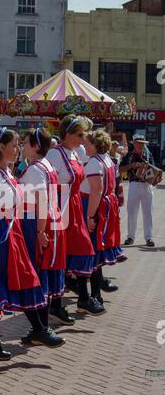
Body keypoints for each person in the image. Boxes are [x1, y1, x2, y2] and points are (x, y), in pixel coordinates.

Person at [0, 127, 65, 357]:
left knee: (25, 280)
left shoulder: (7, 172)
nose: (18, 149)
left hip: (12, 234)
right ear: (1, 147)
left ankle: (38, 329)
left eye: (21, 144)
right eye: (14, 145)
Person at [47, 115, 105, 316]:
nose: (83, 138)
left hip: (75, 206)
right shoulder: (54, 155)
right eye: (80, 134)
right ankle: (68, 300)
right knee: (65, 254)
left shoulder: (76, 152)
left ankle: (79, 297)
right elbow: (48, 184)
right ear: (68, 134)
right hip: (61, 208)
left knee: (81, 250)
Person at [19, 128, 74, 334]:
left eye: (26, 143)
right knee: (45, 272)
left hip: (38, 222)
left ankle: (41, 327)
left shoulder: (35, 169)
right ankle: (41, 326)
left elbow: (40, 200)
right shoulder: (45, 165)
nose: (23, 147)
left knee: (39, 271)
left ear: (36, 146)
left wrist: (40, 232)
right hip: (51, 219)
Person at [80, 129, 127, 304]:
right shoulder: (107, 159)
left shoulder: (93, 162)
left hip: (95, 206)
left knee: (91, 251)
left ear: (96, 144)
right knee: (96, 251)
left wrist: (90, 216)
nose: (84, 145)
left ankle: (93, 295)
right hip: (107, 204)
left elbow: (96, 190)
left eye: (87, 143)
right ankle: (97, 291)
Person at [120, 134, 158, 247]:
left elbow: (154, 170)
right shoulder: (129, 156)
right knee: (132, 212)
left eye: (142, 143)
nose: (140, 145)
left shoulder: (148, 154)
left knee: (148, 212)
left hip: (147, 185)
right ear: (134, 144)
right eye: (138, 143)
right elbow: (120, 169)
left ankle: (149, 238)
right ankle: (130, 237)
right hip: (134, 184)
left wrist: (155, 176)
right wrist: (131, 165)